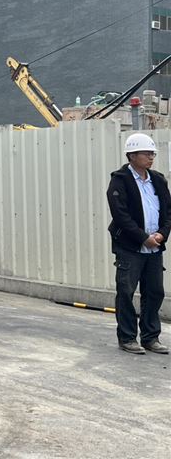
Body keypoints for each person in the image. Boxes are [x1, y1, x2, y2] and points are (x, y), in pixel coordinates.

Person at [106, 132, 170, 355]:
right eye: (146, 153)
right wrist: (144, 238)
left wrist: (161, 234)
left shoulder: (158, 180)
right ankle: (127, 338)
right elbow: (121, 215)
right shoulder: (120, 180)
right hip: (130, 247)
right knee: (126, 291)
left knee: (155, 292)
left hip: (154, 248)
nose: (151, 157)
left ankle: (150, 338)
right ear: (132, 155)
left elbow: (168, 211)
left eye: (152, 153)